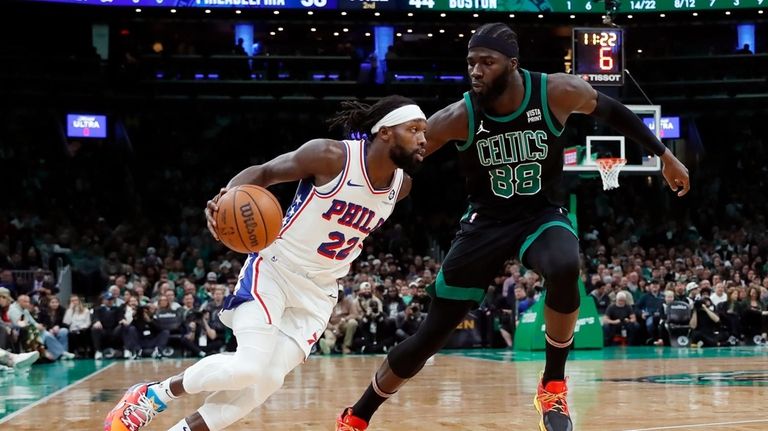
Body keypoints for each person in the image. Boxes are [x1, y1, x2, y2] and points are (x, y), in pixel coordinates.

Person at [336, 22, 690, 431]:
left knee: (564, 265)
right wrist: (373, 184)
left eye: (487, 61)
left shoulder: (555, 91)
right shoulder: (459, 115)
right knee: (429, 337)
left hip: (541, 216)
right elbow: (406, 154)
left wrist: (664, 155)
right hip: (485, 223)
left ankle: (552, 385)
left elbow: (613, 110)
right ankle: (357, 416)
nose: (476, 70)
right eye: (471, 62)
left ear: (513, 64)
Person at [104, 95, 427, 431]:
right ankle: (151, 395)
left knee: (268, 379)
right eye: (414, 129)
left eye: (425, 131)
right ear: (385, 132)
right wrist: (224, 198)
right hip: (275, 269)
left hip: (319, 292)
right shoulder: (332, 157)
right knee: (248, 367)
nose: (422, 138)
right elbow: (265, 172)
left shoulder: (401, 187)